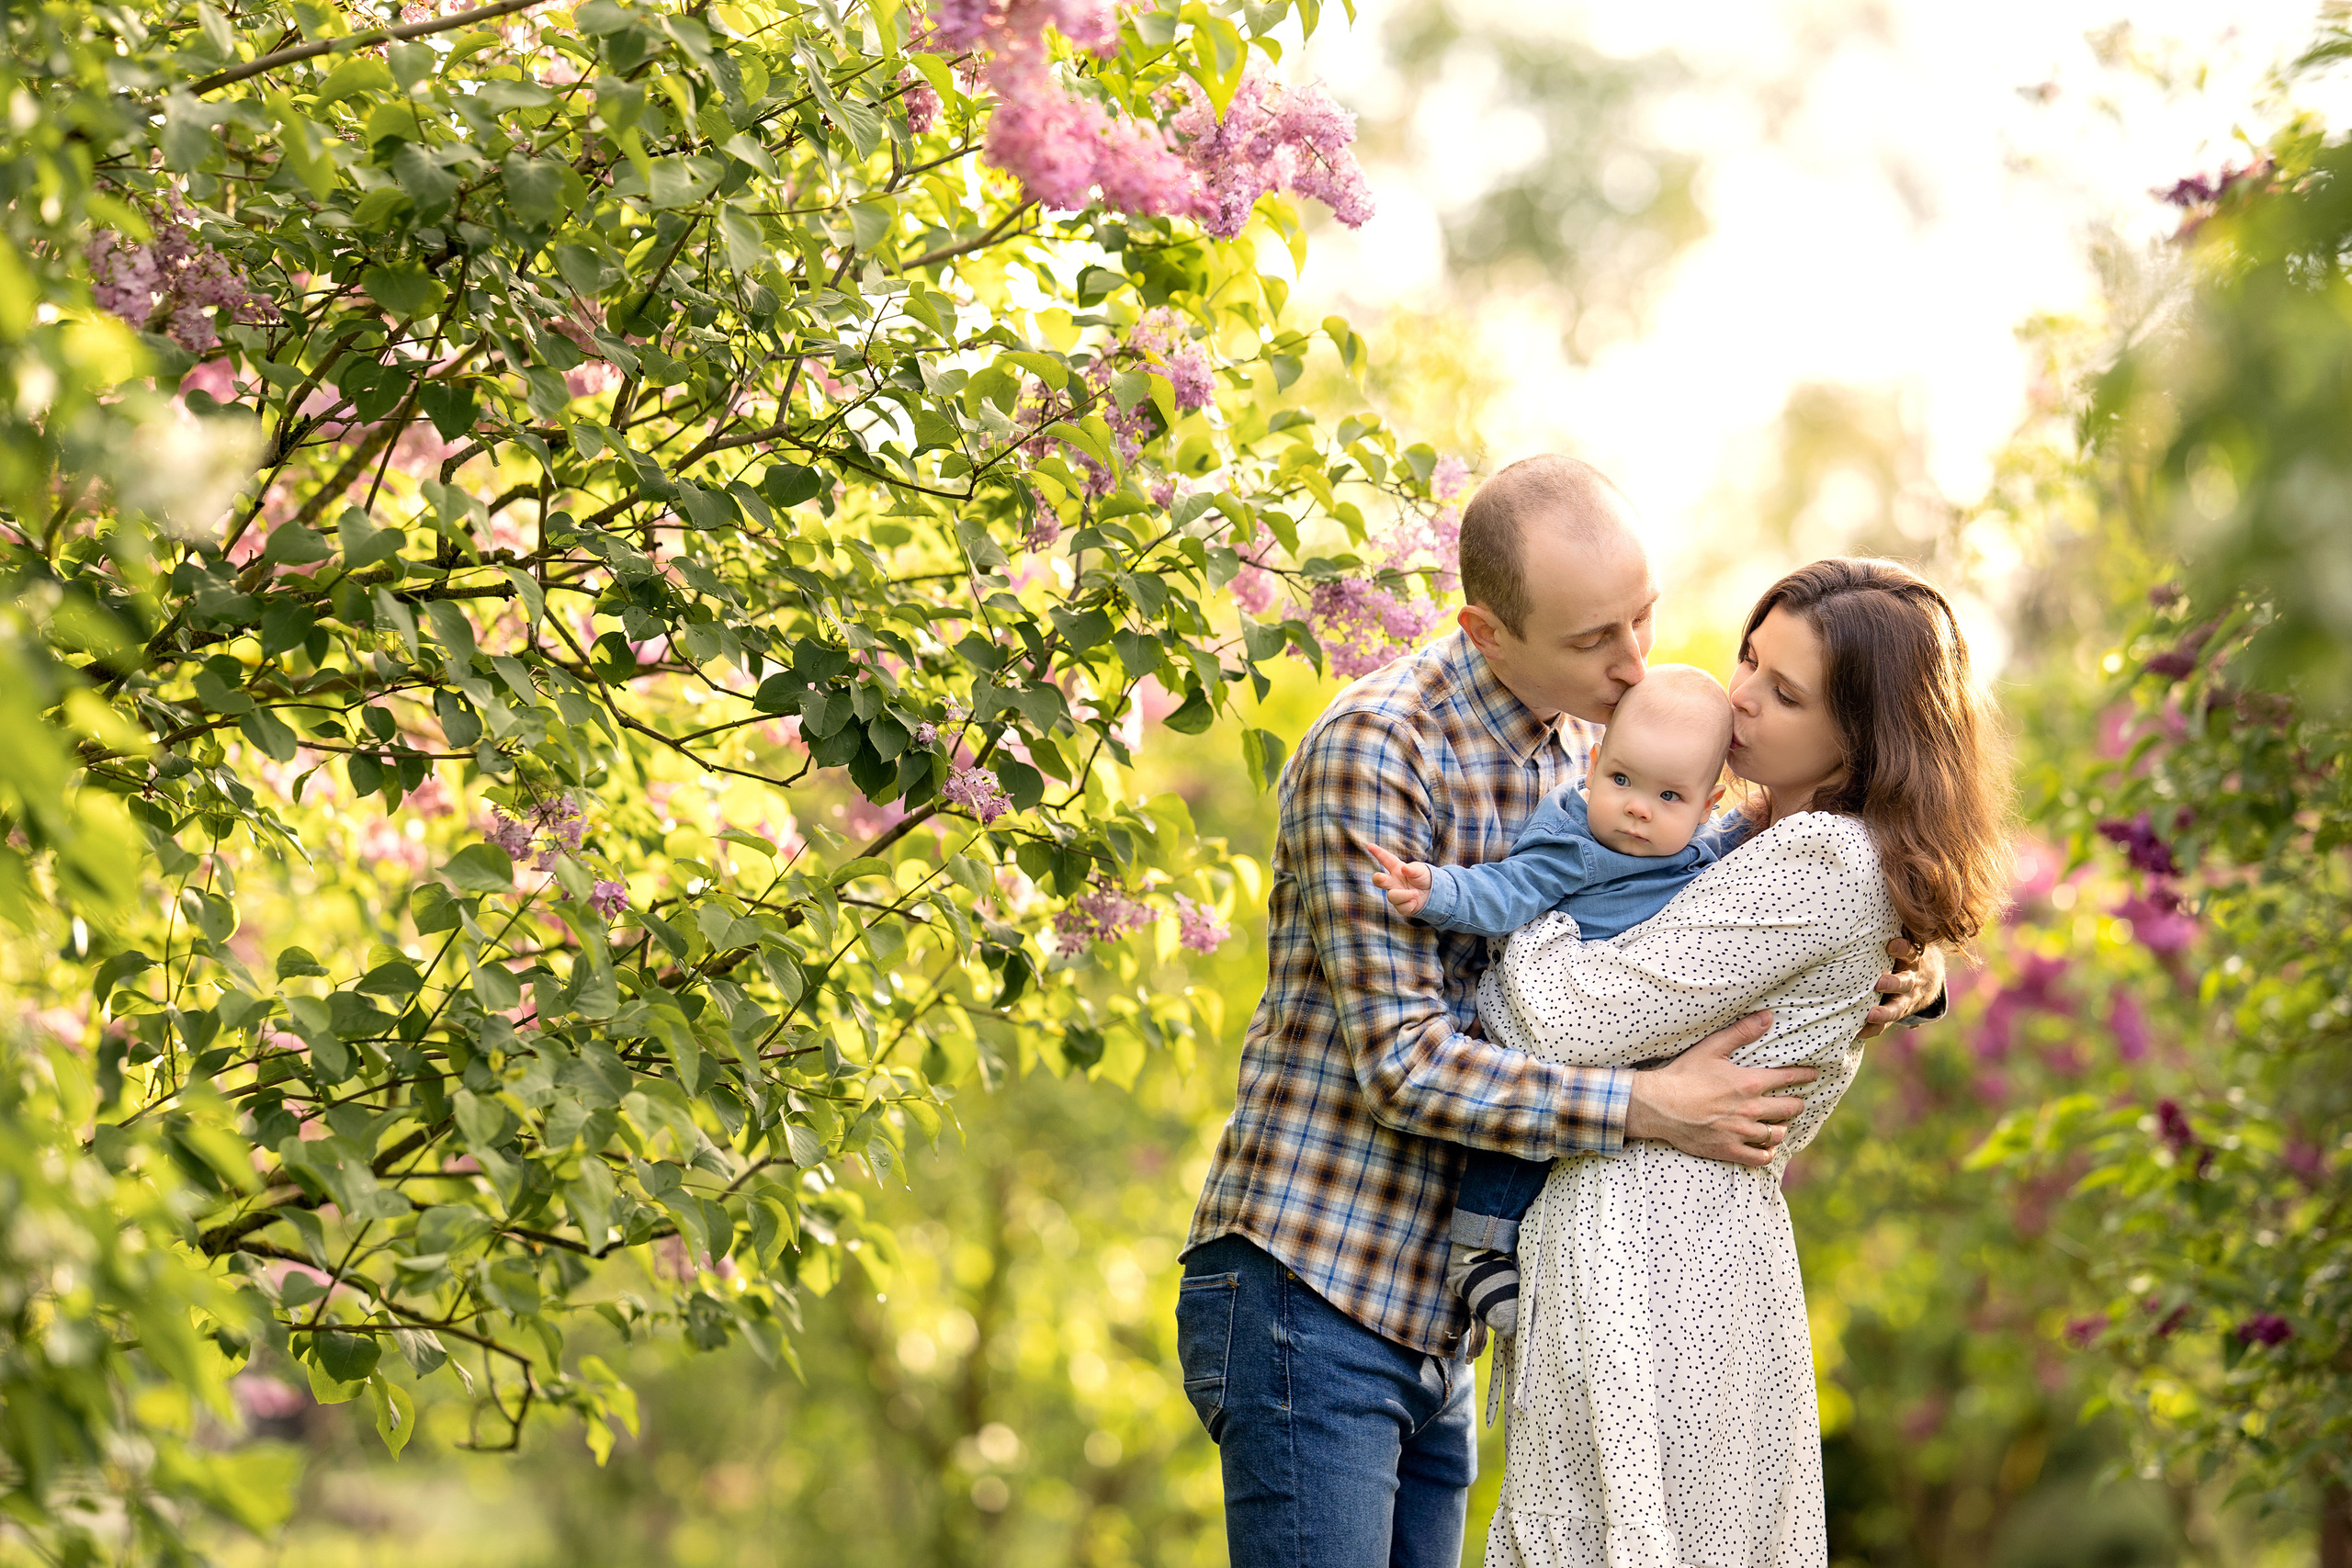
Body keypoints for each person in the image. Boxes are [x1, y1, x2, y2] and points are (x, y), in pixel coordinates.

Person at [1175, 456, 1945, 1568]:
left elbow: (1746, 908)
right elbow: (1405, 1065)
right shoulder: (1379, 750)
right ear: (1486, 632)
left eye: (1643, 618)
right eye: (1596, 640)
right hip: (1315, 1282)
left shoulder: (1608, 744)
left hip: (1445, 1305)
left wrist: (1913, 977)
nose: (1637, 661)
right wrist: (1645, 1108)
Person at [1477, 558, 2009, 1568]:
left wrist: (1531, 916)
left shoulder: (1824, 859)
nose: (1742, 698)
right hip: (1671, 1246)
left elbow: (1562, 1021)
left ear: (1861, 737)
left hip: (1654, 1255)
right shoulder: (1757, 835)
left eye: (1786, 692)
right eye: (1750, 660)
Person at [1363, 663, 1749, 1338]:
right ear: (1595, 762)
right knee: (1522, 1128)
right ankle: (1478, 1245)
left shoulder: (1699, 851)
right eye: (1623, 780)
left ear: (1706, 804)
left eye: (1668, 795)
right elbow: (1508, 889)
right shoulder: (1575, 843)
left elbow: (1744, 867)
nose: (1637, 807)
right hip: (1550, 1026)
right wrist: (1435, 891)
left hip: (1631, 1030)